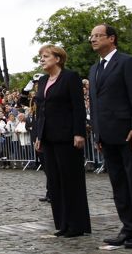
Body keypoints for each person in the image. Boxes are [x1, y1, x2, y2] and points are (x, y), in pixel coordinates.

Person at [88, 24, 132, 249]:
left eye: (98, 36)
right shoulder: (94, 69)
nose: (93, 40)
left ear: (112, 38)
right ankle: (128, 227)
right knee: (119, 185)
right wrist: (97, 133)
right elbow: (96, 105)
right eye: (92, 37)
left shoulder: (127, 62)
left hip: (128, 134)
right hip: (107, 135)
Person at [33, 44, 91, 237]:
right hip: (48, 138)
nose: (41, 59)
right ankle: (62, 224)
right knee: (55, 182)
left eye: (45, 56)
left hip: (67, 137)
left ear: (57, 58)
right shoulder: (42, 81)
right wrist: (39, 136)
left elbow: (78, 107)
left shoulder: (70, 77)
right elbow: (40, 111)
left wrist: (79, 133)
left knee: (70, 180)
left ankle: (77, 224)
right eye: (40, 56)